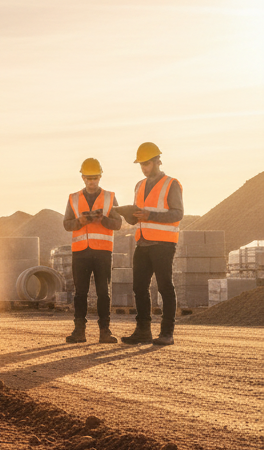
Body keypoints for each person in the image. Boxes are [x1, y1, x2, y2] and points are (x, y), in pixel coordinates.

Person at [117, 142, 183, 346]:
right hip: (142, 243)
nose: (144, 168)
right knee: (139, 287)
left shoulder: (171, 183)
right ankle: (143, 331)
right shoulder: (139, 185)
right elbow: (137, 217)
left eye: (146, 163)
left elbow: (177, 213)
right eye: (141, 165)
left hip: (163, 244)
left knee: (164, 286)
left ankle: (167, 333)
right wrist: (128, 214)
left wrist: (149, 214)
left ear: (157, 161)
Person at [62, 158, 122, 343]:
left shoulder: (110, 197)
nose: (92, 181)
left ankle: (105, 332)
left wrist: (102, 219)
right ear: (82, 177)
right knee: (80, 293)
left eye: (95, 177)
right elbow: (66, 224)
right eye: (88, 177)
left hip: (103, 252)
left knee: (104, 292)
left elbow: (118, 223)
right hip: (80, 252)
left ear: (100, 176)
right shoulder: (73, 198)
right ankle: (79, 331)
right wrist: (79, 222)